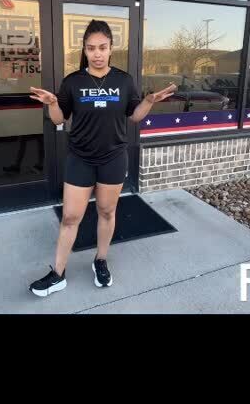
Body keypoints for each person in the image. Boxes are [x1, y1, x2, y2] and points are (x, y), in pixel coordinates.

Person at [28, 20, 176, 297]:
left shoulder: (124, 81)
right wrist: (52, 103)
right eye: (91, 48)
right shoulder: (73, 82)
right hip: (80, 158)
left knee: (107, 212)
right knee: (70, 217)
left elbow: (134, 116)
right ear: (84, 50)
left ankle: (101, 260)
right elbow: (59, 119)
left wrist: (148, 101)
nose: (97, 53)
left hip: (113, 158)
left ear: (111, 48)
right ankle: (58, 274)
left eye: (102, 47)